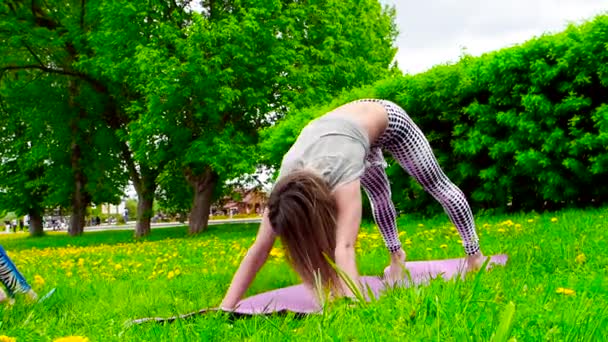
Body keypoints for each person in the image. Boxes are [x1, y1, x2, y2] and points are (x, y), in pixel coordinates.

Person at [220, 99, 484, 309]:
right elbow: (259, 249)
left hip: (387, 120)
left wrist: (354, 303)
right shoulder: (284, 189)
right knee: (380, 196)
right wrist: (226, 307)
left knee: (435, 183)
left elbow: (344, 247)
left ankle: (475, 256)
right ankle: (397, 259)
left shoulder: (343, 172)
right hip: (344, 134)